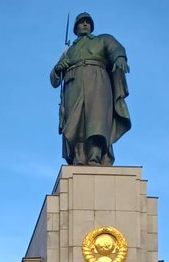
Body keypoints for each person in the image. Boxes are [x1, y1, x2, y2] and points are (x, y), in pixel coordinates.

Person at [50, 12, 131, 166]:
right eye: (81, 22)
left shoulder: (102, 39)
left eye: (88, 22)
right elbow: (54, 80)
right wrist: (57, 69)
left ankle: (95, 156)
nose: (85, 24)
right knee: (75, 122)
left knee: (97, 119)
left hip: (98, 81)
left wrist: (120, 57)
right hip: (74, 84)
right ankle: (79, 158)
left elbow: (116, 48)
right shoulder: (68, 51)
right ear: (76, 28)